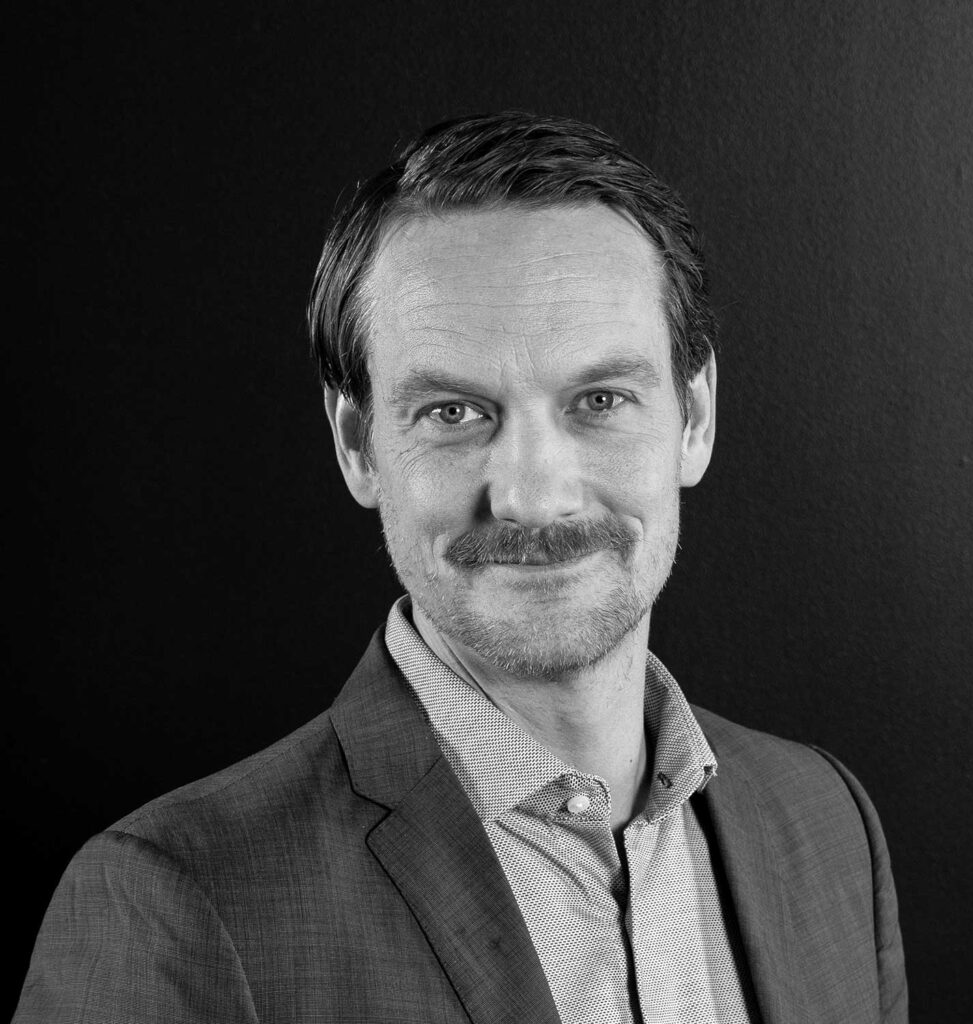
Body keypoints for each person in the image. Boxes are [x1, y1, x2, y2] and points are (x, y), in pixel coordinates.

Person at [15, 111, 908, 1024]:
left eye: (601, 399)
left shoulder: (828, 824)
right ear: (357, 445)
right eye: (453, 412)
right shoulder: (171, 907)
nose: (534, 496)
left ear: (695, 417)